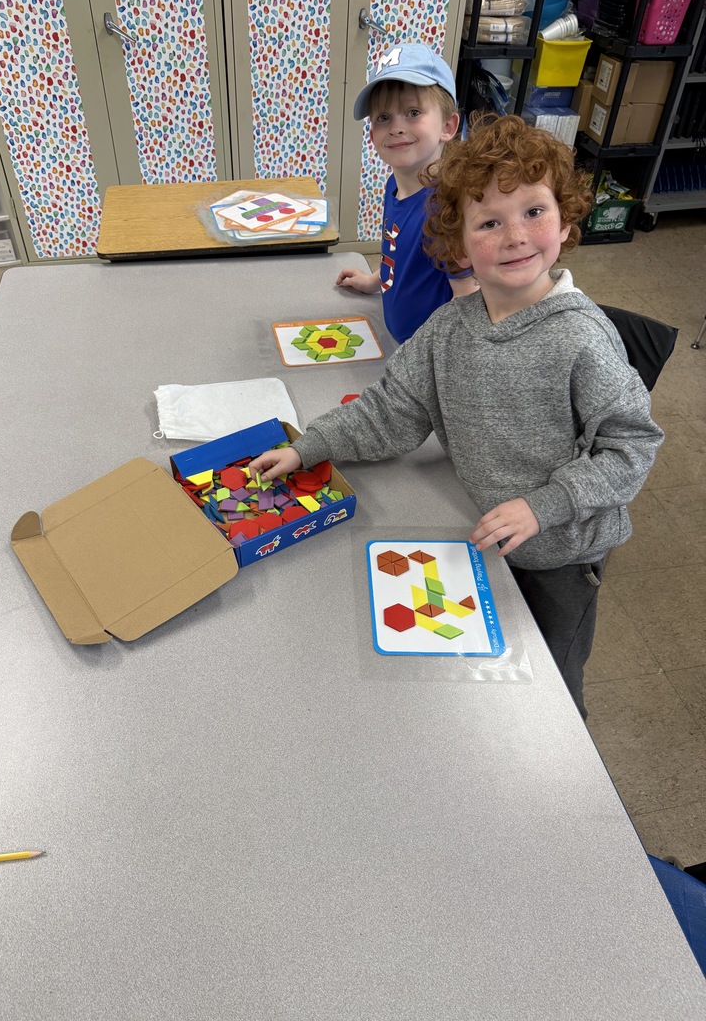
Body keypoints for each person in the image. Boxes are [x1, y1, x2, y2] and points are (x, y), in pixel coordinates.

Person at [250, 114, 664, 718]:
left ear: (567, 220)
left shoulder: (580, 338)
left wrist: (543, 506)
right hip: (478, 538)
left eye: (533, 212)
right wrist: (312, 445)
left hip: (561, 556)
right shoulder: (449, 329)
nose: (515, 236)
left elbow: (631, 449)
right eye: (489, 222)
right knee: (478, 683)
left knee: (548, 688)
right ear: (459, 244)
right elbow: (393, 410)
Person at [335, 42, 478, 344]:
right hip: (397, 342)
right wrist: (373, 281)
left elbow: (467, 302)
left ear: (448, 126)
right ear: (372, 132)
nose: (397, 127)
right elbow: (396, 250)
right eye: (383, 118)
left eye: (413, 112)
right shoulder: (394, 186)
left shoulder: (445, 209)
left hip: (427, 360)